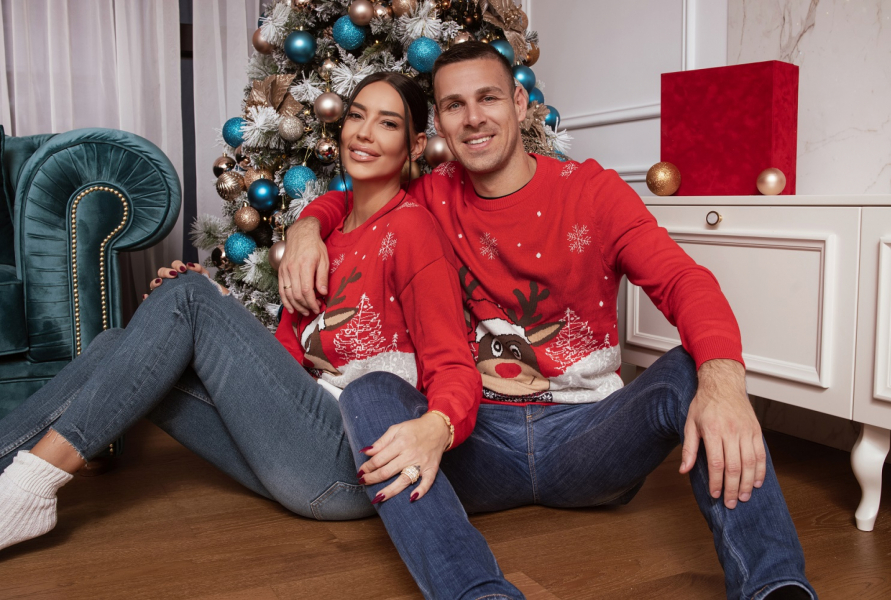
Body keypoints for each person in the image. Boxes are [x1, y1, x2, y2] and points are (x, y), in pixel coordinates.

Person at [283, 42, 817, 600]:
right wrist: (307, 226)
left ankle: (774, 586)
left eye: (489, 98)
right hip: (476, 442)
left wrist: (725, 381)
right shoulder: (433, 194)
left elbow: (684, 280)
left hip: (591, 438)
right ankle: (479, 594)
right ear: (438, 121)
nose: (473, 118)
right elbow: (362, 200)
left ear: (519, 102)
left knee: (693, 370)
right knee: (371, 392)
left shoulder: (592, 192)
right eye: (455, 105)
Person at [0, 71, 523, 599]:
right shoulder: (322, 239)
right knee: (120, 346)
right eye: (357, 116)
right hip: (299, 451)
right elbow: (284, 365)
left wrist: (438, 427)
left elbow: (452, 364)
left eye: (387, 124)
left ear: (414, 145)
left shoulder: (411, 229)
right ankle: (10, 485)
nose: (364, 133)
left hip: (352, 462)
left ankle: (34, 485)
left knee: (187, 299)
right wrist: (210, 319)